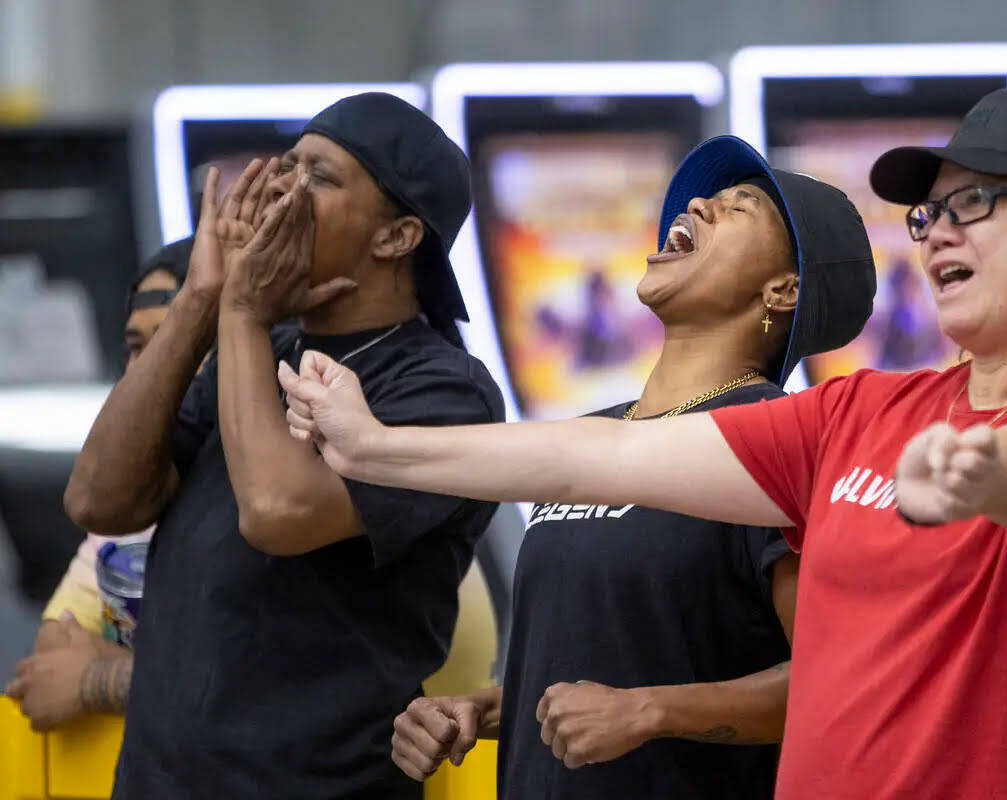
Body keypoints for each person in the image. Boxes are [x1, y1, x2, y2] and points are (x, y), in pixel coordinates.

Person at [280, 88, 1007, 799]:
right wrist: (372, 448)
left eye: (977, 202)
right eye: (928, 215)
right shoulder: (857, 412)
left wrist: (990, 471)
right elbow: (610, 457)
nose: (939, 228)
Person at [373, 136, 875, 799]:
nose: (698, 202)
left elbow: (834, 680)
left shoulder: (774, 442)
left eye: (740, 206)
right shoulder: (593, 437)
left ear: (783, 289)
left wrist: (651, 711)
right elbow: (619, 652)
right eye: (706, 196)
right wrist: (488, 709)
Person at [64, 93, 504, 799]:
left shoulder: (448, 391)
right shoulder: (259, 346)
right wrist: (202, 300)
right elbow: (100, 499)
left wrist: (240, 309)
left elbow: (277, 512)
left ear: (396, 237)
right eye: (284, 165)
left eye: (320, 177)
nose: (277, 191)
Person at [5, 238, 191, 731]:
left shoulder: (282, 494)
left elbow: (272, 680)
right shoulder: (131, 503)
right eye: (137, 348)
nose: (151, 371)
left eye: (179, 343)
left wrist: (94, 677)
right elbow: (51, 654)